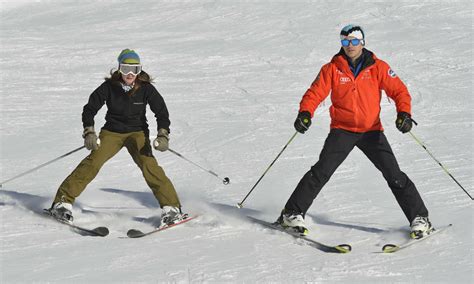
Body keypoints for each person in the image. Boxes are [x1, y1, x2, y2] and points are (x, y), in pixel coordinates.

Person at [277, 25, 432, 239]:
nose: (350, 46)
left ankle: (420, 218)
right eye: (345, 42)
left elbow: (399, 91)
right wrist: (305, 113)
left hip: (371, 131)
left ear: (363, 42)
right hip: (343, 130)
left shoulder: (378, 67)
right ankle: (292, 213)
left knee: (393, 174)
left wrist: (404, 113)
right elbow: (315, 93)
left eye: (354, 41)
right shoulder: (332, 68)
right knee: (322, 171)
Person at [47, 49, 186, 227]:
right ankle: (62, 203)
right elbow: (90, 108)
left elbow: (161, 112)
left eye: (134, 69)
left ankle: (171, 209)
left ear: (140, 71)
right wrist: (89, 131)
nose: (130, 74)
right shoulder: (108, 87)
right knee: (94, 161)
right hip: (112, 132)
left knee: (148, 165)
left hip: (137, 132)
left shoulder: (146, 89)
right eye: (126, 68)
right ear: (119, 69)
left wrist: (163, 134)